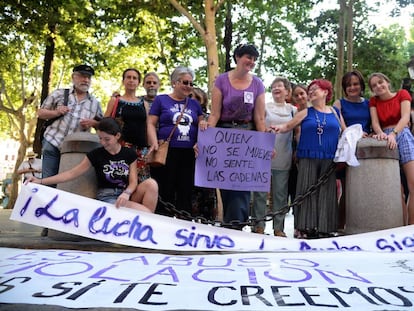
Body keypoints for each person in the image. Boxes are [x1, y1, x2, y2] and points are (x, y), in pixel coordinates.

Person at [26, 118, 157, 213]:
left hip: (126, 194)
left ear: (117, 136)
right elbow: (71, 173)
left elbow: (133, 182)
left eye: (107, 139)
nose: (103, 143)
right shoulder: (96, 154)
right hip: (108, 197)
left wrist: (126, 193)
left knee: (151, 184)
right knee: (146, 213)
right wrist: (40, 181)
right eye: (100, 138)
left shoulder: (129, 153)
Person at [271, 79, 346, 238]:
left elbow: (345, 132)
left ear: (325, 92)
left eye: (315, 89)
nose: (311, 92)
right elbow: (288, 126)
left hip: (329, 158)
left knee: (327, 193)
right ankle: (304, 228)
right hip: (307, 156)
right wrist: (279, 128)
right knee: (306, 191)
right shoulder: (305, 112)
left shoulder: (335, 112)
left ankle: (325, 228)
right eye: (310, 90)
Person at [203, 43, 266, 227]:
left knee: (243, 186)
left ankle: (237, 226)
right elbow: (214, 114)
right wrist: (207, 140)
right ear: (238, 57)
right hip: (223, 134)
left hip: (247, 135)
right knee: (225, 184)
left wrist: (265, 145)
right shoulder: (221, 80)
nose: (251, 62)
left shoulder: (258, 84)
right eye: (248, 57)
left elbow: (260, 118)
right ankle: (228, 226)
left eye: (254, 59)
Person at [147, 66, 204, 216]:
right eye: (185, 82)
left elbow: (203, 126)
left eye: (191, 84)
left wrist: (201, 141)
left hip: (188, 153)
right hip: (167, 151)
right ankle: (163, 223)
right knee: (166, 188)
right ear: (174, 82)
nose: (188, 86)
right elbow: (150, 123)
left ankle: (184, 224)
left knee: (185, 190)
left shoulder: (194, 104)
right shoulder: (161, 100)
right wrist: (153, 142)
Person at [37, 64, 103, 188]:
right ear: (73, 77)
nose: (86, 80)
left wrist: (94, 123)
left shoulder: (95, 103)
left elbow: (103, 126)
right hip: (53, 143)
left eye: (89, 77)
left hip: (75, 149)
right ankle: (45, 207)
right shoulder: (59, 93)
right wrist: (56, 112)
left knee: (69, 186)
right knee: (48, 182)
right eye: (82, 76)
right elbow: (40, 113)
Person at [252, 76, 297, 236]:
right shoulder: (264, 106)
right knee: (260, 193)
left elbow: (297, 132)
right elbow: (258, 125)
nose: (277, 88)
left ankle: (279, 228)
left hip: (284, 156)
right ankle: (258, 226)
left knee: (280, 194)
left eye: (280, 86)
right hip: (263, 155)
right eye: (274, 86)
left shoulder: (293, 110)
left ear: (287, 91)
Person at [368, 72, 414, 225]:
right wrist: (381, 134)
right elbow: (375, 122)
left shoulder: (402, 94)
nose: (378, 86)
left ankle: (411, 228)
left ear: (387, 82)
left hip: (402, 134)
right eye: (374, 85)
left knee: (413, 184)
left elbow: (405, 117)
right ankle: (400, 228)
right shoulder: (373, 101)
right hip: (385, 139)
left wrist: (394, 134)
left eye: (380, 82)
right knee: (396, 190)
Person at [333, 70, 371, 231]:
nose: (352, 87)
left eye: (355, 84)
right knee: (347, 190)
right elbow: (342, 128)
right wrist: (354, 133)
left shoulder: (369, 104)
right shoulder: (339, 104)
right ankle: (340, 226)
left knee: (365, 189)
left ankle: (364, 225)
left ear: (361, 85)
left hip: (366, 150)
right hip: (347, 149)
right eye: (348, 85)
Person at [104, 68, 152, 183]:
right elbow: (105, 123)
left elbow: (148, 125)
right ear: (123, 81)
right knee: (120, 180)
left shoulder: (144, 103)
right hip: (120, 147)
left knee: (142, 182)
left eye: (134, 78)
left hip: (140, 150)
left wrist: (151, 147)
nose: (131, 80)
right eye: (128, 77)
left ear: (138, 83)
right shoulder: (115, 101)